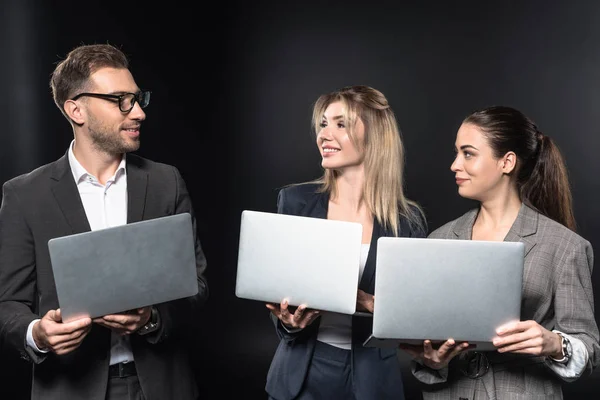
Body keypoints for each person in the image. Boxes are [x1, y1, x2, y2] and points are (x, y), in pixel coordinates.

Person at [0, 43, 208, 400]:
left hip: (161, 386)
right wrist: (38, 333)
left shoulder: (165, 182)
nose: (138, 112)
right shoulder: (24, 194)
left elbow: (196, 287)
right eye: (120, 100)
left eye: (138, 98)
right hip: (69, 388)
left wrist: (151, 319)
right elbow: (7, 304)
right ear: (76, 109)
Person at [402, 105, 600, 399]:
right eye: (456, 153)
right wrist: (430, 359)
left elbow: (589, 348)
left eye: (468, 153)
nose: (454, 165)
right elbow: (427, 337)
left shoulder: (565, 246)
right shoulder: (440, 239)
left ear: (506, 162)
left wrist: (553, 343)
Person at [264, 85, 427, 400]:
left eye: (341, 124)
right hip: (300, 374)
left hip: (372, 381)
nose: (325, 134)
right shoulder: (295, 201)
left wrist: (363, 300)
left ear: (375, 135)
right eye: (323, 124)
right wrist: (289, 323)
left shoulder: (408, 220)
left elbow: (410, 315)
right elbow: (278, 295)